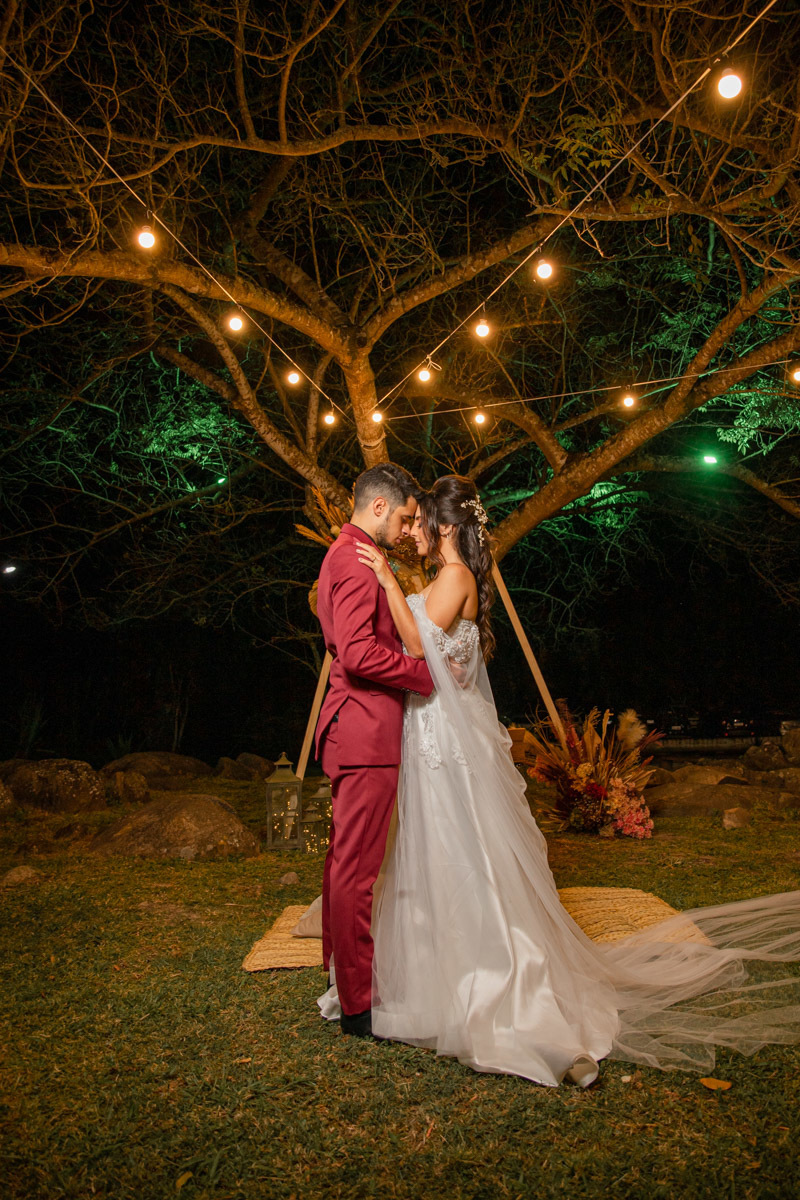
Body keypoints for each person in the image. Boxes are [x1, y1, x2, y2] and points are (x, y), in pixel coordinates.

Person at [319, 474, 800, 1086]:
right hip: (428, 733)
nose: (409, 531)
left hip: (440, 733)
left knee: (458, 855)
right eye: (404, 521)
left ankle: (484, 977)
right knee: (432, 858)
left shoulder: (453, 578)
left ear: (443, 526)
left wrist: (388, 582)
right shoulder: (443, 576)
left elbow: (419, 648)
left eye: (419, 522)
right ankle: (428, 965)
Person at [314, 463, 434, 1037]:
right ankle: (359, 1006)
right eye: (405, 517)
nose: (407, 528)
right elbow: (359, 654)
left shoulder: (345, 552)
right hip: (364, 730)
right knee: (356, 872)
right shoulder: (359, 560)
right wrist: (419, 674)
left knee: (344, 864)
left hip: (352, 727)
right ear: (380, 507)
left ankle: (344, 981)